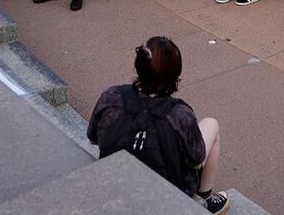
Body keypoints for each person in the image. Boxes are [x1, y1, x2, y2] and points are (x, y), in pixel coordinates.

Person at [87, 36, 231, 214]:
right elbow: (196, 160)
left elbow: (94, 138)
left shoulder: (111, 95)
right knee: (211, 124)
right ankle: (206, 198)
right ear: (175, 74)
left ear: (138, 66)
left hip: (115, 179)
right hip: (167, 195)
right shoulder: (180, 114)